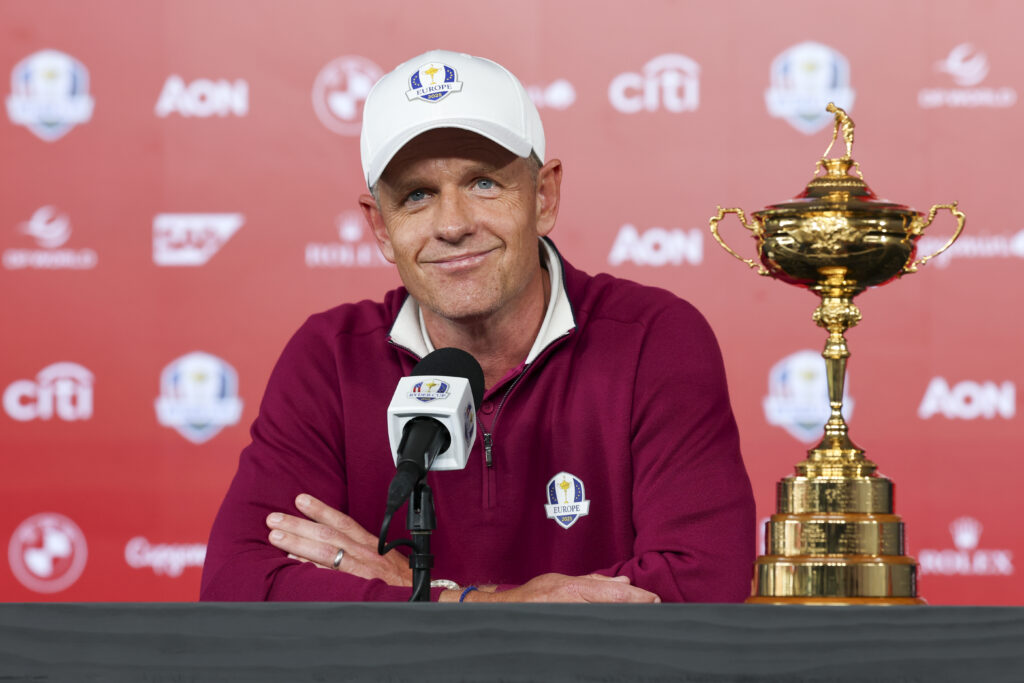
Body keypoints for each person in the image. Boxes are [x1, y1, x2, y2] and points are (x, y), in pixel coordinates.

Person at [200, 49, 755, 603]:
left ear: (544, 195)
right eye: (417, 195)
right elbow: (238, 588)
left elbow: (700, 585)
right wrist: (474, 604)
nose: (453, 224)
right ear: (380, 227)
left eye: (484, 183)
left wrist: (412, 590)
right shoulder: (329, 358)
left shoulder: (652, 339)